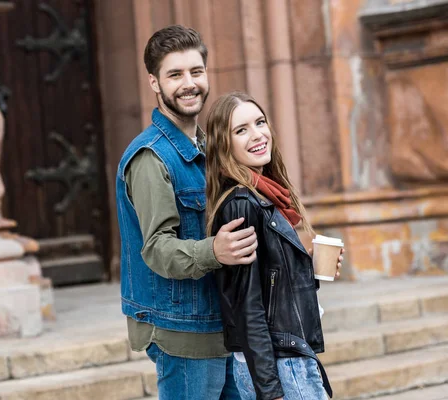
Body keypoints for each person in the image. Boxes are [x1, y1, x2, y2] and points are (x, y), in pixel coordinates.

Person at [116, 26, 258, 399]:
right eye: (175, 74)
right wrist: (214, 251)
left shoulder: (211, 148)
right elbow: (157, 249)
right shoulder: (151, 158)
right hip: (183, 332)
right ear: (154, 82)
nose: (188, 83)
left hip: (221, 323)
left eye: (195, 71)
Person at [205, 91, 344, 400]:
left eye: (260, 123)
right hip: (280, 367)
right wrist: (271, 391)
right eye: (241, 130)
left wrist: (310, 270)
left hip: (290, 356)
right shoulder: (241, 204)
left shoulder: (265, 196)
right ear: (223, 143)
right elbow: (247, 306)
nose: (257, 135)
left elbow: (272, 291)